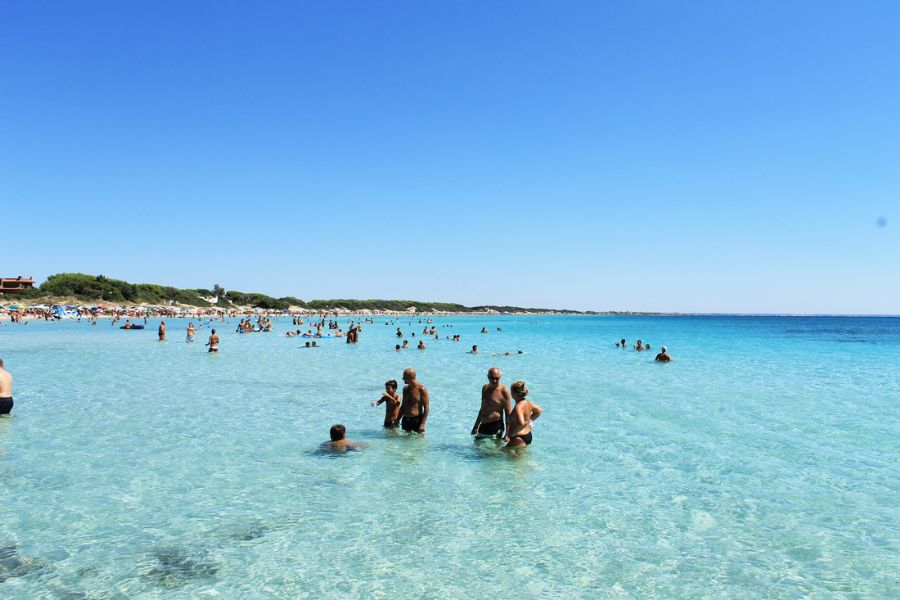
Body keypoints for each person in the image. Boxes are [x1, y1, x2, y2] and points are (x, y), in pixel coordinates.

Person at [470, 367, 511, 440]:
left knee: (493, 451)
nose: (494, 380)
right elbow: (482, 409)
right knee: (477, 448)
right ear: (488, 377)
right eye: (492, 378)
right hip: (483, 425)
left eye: (497, 378)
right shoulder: (485, 388)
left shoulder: (504, 391)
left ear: (500, 377)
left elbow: (508, 414)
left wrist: (507, 434)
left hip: (496, 426)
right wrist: (476, 426)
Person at [504, 381, 542, 449]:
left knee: (501, 454)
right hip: (527, 435)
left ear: (514, 393)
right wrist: (529, 420)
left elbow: (521, 423)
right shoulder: (528, 402)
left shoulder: (518, 407)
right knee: (517, 459)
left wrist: (512, 434)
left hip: (519, 438)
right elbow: (539, 411)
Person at [399, 368, 429, 434]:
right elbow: (403, 406)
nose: (402, 379)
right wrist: (397, 420)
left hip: (417, 420)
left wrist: (423, 424)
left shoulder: (421, 389)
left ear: (410, 377)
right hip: (405, 420)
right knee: (405, 442)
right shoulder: (405, 389)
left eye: (404, 377)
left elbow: (426, 407)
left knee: (419, 442)